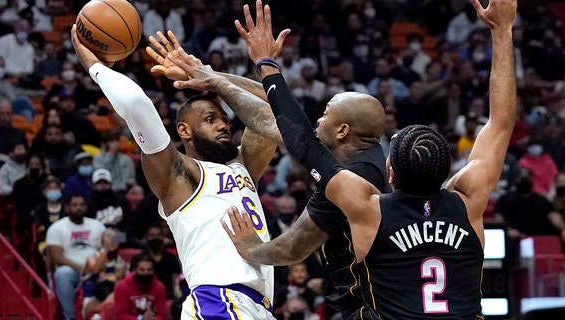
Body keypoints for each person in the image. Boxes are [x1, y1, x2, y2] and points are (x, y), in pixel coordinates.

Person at [223, 0, 517, 318]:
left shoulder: (368, 207)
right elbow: (501, 122)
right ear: (447, 170)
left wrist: (266, 63)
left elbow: (303, 142)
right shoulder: (469, 199)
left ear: (390, 173)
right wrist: (502, 31)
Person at [149, 27, 387, 320]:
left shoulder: (348, 180)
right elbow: (279, 112)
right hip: (382, 297)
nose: (318, 118)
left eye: (325, 114)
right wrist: (210, 75)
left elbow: (293, 247)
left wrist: (252, 248)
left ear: (342, 131)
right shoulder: (369, 158)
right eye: (213, 119)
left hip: (368, 303)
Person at [72, 20, 280, 319]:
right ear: (184, 130)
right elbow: (135, 103)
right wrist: (93, 65)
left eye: (224, 118)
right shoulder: (179, 173)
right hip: (220, 299)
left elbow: (271, 106)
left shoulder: (242, 164)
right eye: (210, 119)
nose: (223, 124)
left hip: (255, 306)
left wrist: (210, 78)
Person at [45, 194, 106, 320]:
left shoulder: (98, 225)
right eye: (75, 205)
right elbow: (56, 258)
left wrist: (99, 267)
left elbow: (109, 247)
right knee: (61, 274)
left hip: (96, 266)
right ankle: (69, 317)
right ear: (67, 208)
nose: (79, 208)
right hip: (71, 269)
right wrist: (82, 269)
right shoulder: (56, 227)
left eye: (82, 205)